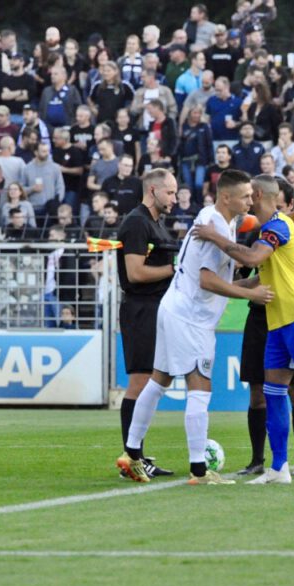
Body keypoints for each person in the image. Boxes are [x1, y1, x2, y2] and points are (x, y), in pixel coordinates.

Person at [192, 174, 294, 487]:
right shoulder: (272, 226)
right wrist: (222, 288)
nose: (245, 201)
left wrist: (214, 236)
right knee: (273, 390)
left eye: (247, 196)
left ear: (257, 195)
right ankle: (279, 467)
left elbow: (253, 257)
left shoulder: (278, 227)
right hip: (277, 322)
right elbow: (259, 276)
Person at [121, 172, 275, 486]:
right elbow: (206, 280)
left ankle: (132, 455)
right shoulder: (216, 224)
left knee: (159, 380)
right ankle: (199, 471)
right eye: (246, 196)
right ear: (227, 197)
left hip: (173, 307)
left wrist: (251, 282)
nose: (251, 201)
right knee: (200, 387)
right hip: (191, 317)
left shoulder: (218, 219)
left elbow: (216, 279)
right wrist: (250, 294)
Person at [236, 178, 294, 476]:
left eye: (284, 205)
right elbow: (247, 269)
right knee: (258, 392)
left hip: (292, 315)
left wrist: (288, 277)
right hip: (261, 318)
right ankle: (259, 460)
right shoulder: (261, 233)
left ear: (286, 204)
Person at [114, 168, 179, 480]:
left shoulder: (154, 222)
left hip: (155, 308)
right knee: (140, 382)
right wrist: (175, 269)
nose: (174, 199)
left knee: (152, 381)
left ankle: (136, 453)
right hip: (141, 309)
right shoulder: (137, 223)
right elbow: (136, 273)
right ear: (153, 190)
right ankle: (132, 457)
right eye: (170, 192)